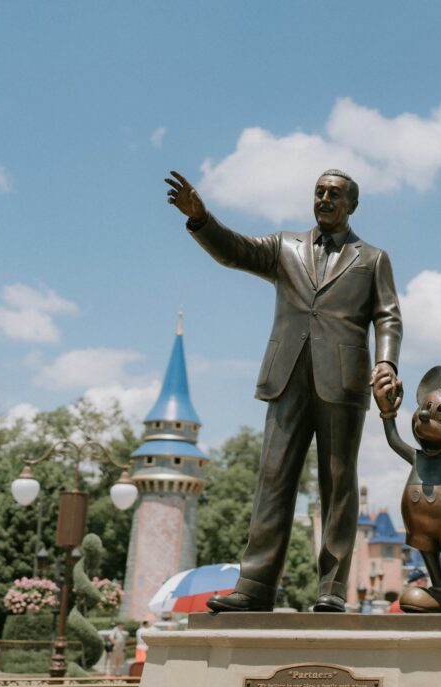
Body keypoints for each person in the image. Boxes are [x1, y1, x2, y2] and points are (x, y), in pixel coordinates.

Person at [167, 169, 403, 614]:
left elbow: (388, 316)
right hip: (286, 377)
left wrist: (386, 362)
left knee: (337, 486)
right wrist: (201, 219)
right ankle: (254, 586)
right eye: (319, 192)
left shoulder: (372, 258)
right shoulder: (284, 247)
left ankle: (332, 588)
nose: (324, 199)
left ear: (352, 205)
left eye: (334, 194)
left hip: (344, 381)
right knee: (273, 480)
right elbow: (235, 251)